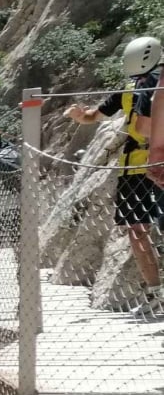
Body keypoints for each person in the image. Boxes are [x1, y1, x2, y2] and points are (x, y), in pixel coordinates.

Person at [66, 35, 164, 319]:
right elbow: (94, 115)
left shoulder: (138, 88)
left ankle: (157, 294)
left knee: (138, 231)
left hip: (140, 166)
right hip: (142, 165)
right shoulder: (140, 87)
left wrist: (79, 114)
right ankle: (156, 295)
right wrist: (80, 115)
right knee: (139, 231)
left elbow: (97, 118)